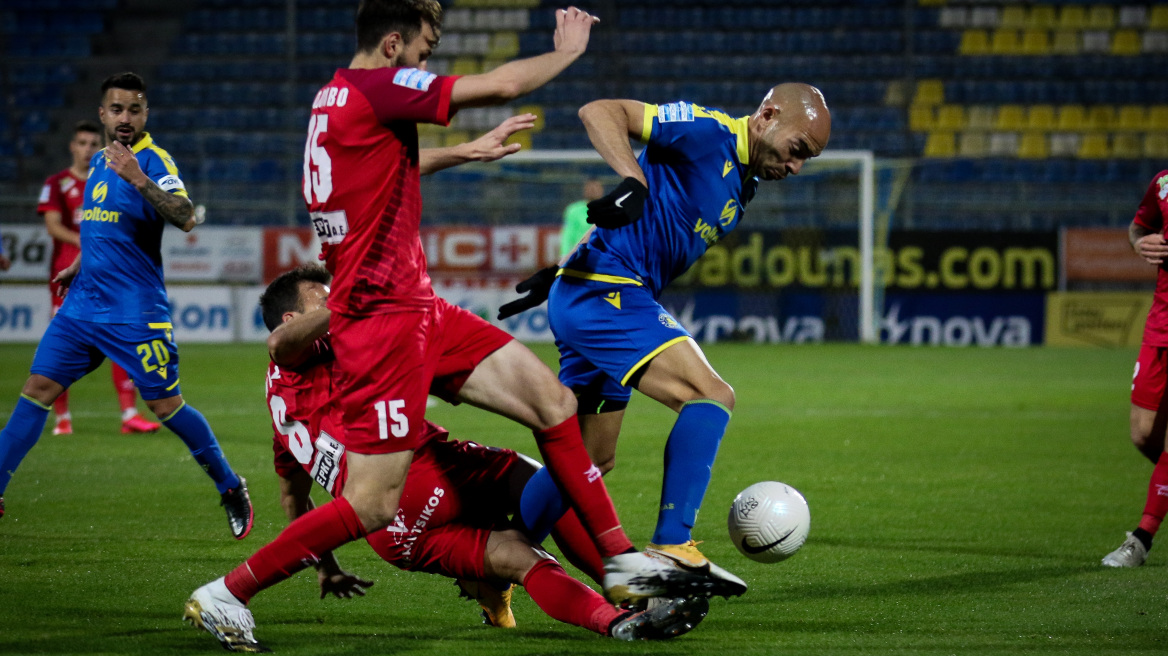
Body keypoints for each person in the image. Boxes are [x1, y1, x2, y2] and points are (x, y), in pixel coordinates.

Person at [185, 3, 732, 652]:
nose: (428, 59)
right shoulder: (375, 87)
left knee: (553, 403)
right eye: (426, 46)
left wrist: (463, 153)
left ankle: (621, 561)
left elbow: (386, 168)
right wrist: (567, 52)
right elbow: (500, 85)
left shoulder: (332, 101)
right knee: (373, 506)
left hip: (421, 310)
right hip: (382, 323)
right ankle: (229, 592)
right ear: (392, 43)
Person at [183, 264, 709, 650]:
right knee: (553, 479)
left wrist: (327, 565)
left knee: (518, 555)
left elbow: (293, 497)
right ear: (296, 316)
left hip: (397, 531)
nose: (341, 301)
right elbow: (280, 344)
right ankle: (637, 585)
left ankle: (615, 621)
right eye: (326, 297)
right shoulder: (300, 353)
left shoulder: (284, 410)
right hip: (414, 473)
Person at [498, 84, 831, 582]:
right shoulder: (705, 130)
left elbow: (636, 226)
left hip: (594, 288)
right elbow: (600, 108)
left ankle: (494, 560)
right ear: (767, 115)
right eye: (798, 149)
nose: (797, 166)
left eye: (807, 159)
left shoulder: (744, 183)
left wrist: (562, 268)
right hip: (606, 291)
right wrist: (631, 178)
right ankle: (673, 543)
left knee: (591, 457)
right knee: (710, 394)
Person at [0, 72, 253, 539]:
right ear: (103, 114)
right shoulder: (98, 160)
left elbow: (185, 216)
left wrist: (139, 179)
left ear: (145, 114)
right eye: (116, 109)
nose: (125, 117)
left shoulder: (154, 160)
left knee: (165, 406)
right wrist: (80, 262)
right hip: (82, 307)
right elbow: (103, 224)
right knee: (36, 388)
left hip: (135, 312)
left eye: (134, 109)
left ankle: (228, 484)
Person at [36, 119, 161, 436]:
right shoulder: (57, 183)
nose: (88, 149)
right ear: (72, 146)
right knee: (62, 349)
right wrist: (87, 242)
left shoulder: (104, 178)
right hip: (69, 276)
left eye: (93, 144)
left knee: (121, 341)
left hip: (108, 275)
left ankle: (129, 414)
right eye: (82, 143)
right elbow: (52, 226)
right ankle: (62, 419)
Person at [1102, 170, 1168, 567]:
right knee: (1144, 436)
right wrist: (1141, 242)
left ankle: (1140, 540)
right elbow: (1138, 226)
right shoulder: (1163, 183)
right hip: (1161, 324)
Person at [559, 178, 605, 258]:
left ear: (602, 190)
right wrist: (564, 255)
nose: (593, 190)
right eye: (590, 188)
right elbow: (567, 235)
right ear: (585, 191)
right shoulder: (574, 210)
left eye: (596, 187)